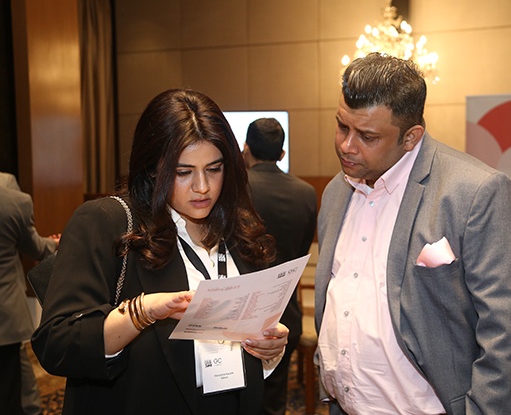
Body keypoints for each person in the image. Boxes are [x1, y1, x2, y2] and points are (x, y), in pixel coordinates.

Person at [31, 89, 289, 415]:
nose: (202, 187)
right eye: (183, 172)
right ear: (153, 167)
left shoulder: (238, 229)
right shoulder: (108, 222)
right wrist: (143, 312)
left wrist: (268, 348)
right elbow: (57, 344)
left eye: (214, 169)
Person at [314, 52, 511, 415]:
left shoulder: (476, 192)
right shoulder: (336, 192)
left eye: (367, 136)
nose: (347, 145)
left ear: (411, 137)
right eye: (342, 126)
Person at [242, 118, 317, 415]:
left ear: (245, 150)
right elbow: (302, 250)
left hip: (243, 313)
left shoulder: (237, 189)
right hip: (287, 313)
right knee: (275, 400)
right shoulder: (306, 192)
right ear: (282, 154)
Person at [0, 173, 59, 414]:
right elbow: (33, 248)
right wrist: (55, 244)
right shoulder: (14, 203)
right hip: (5, 315)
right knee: (10, 389)